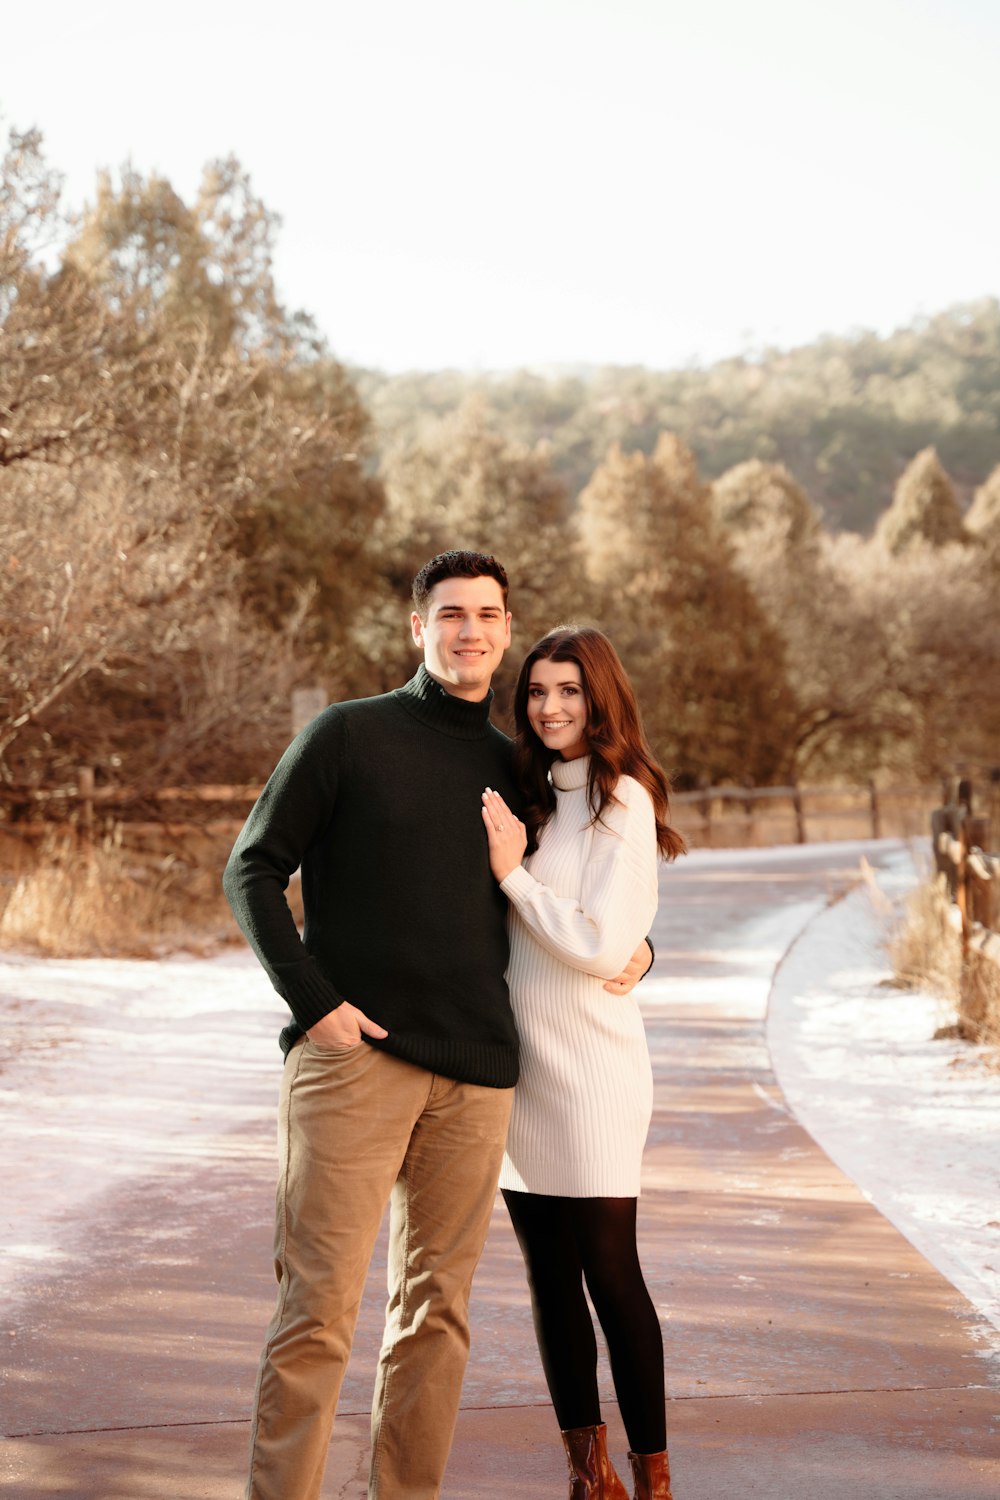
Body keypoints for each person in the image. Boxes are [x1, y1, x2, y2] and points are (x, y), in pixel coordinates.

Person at [223, 553, 650, 1500]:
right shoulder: (347, 736)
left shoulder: (517, 769)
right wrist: (313, 1001)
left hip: (479, 1076)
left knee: (436, 1315)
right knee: (319, 1312)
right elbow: (251, 867)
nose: (471, 632)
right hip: (355, 1061)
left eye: (488, 615)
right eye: (451, 614)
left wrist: (643, 948)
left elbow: (568, 895)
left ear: (506, 630)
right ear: (419, 628)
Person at [479, 626, 686, 1500]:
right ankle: (588, 1474)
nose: (552, 706)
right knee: (548, 1281)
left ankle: (653, 1478)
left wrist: (514, 878)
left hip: (595, 1073)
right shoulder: (525, 793)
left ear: (600, 699)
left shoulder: (622, 801)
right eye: (537, 692)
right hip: (523, 1074)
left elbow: (605, 945)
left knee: (610, 1274)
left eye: (569, 690)